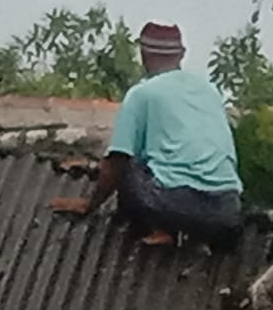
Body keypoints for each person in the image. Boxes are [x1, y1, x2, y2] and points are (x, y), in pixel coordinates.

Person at [50, 21, 243, 245]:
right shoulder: (209, 91)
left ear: (143, 54)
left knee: (127, 166)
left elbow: (117, 161)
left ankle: (158, 229)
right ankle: (175, 232)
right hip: (228, 213)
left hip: (174, 208)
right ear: (181, 54)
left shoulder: (142, 94)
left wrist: (89, 205)